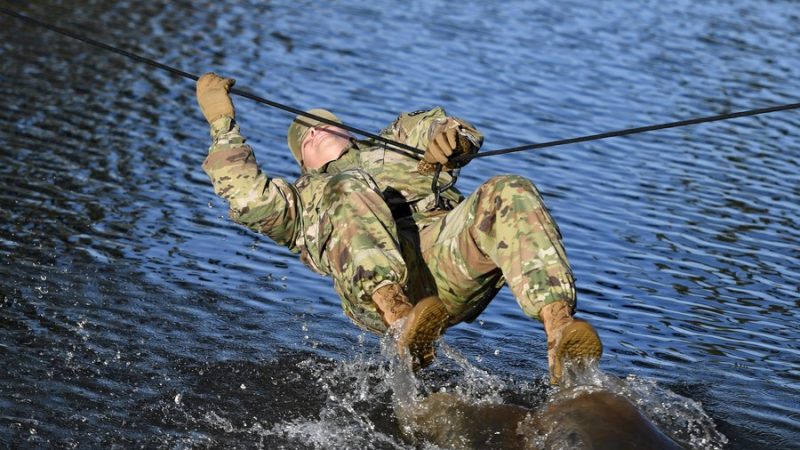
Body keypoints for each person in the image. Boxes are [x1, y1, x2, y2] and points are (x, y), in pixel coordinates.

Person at [195, 73, 602, 383]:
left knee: (509, 188)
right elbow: (246, 197)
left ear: (349, 134)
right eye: (307, 137)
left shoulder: (393, 146)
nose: (317, 130)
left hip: (446, 261)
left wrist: (451, 141)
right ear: (304, 163)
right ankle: (403, 320)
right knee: (348, 187)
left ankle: (559, 332)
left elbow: (444, 127)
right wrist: (221, 122)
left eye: (326, 124)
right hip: (378, 293)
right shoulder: (301, 200)